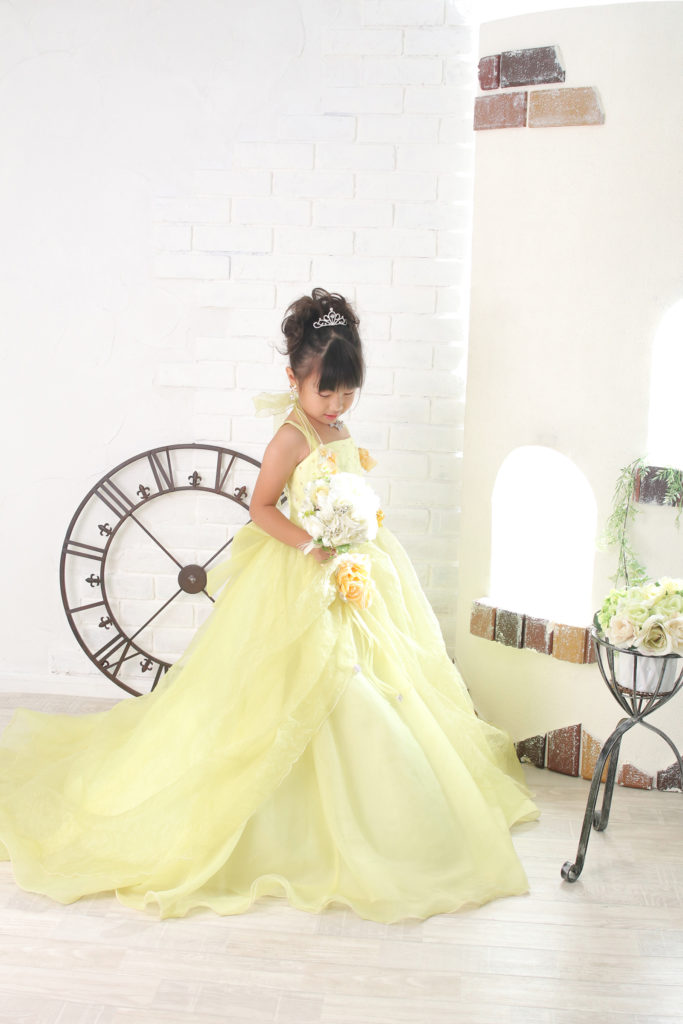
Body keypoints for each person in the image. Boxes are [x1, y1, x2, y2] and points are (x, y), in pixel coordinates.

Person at [0, 287, 538, 923]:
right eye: (325, 392)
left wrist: (359, 521)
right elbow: (260, 509)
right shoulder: (290, 437)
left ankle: (399, 812)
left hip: (355, 566)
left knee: (383, 677)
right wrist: (312, 542)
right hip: (304, 570)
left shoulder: (339, 428)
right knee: (310, 682)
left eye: (347, 393)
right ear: (293, 379)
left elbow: (345, 484)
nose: (337, 405)